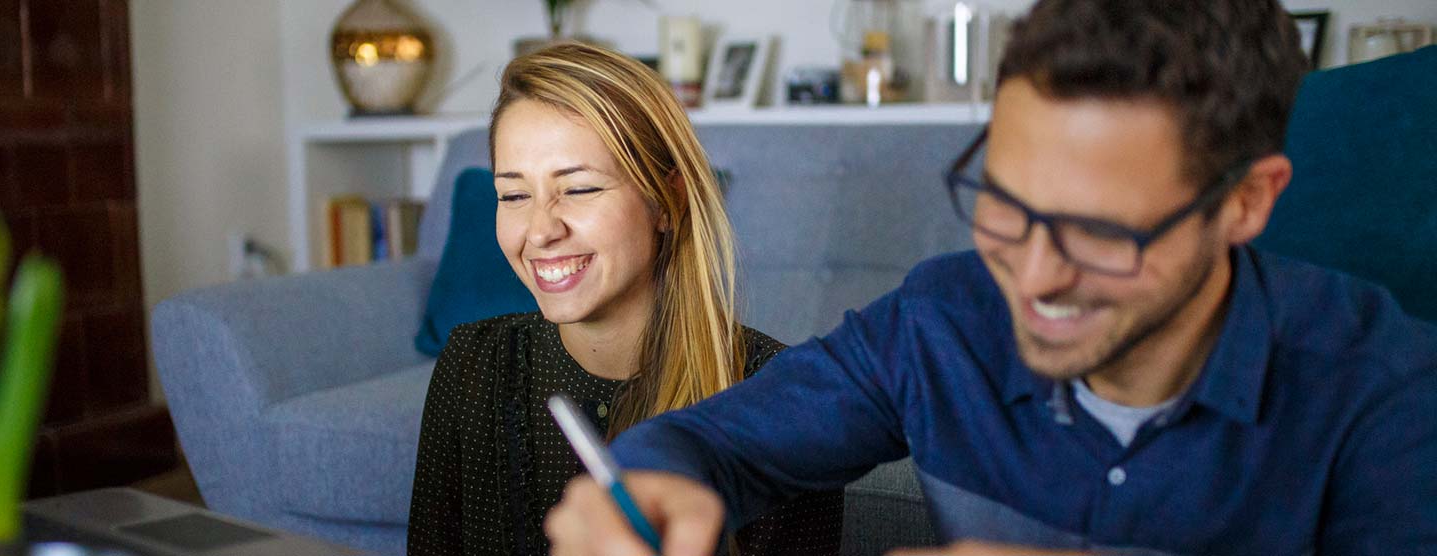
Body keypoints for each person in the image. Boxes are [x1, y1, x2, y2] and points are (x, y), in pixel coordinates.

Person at [543, 1, 1437, 555]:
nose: (1034, 277)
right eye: (1004, 203)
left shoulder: (1384, 387)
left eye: (1096, 231)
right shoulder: (943, 319)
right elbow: (715, 444)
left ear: (1245, 202)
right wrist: (650, 483)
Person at [406, 43, 844, 556]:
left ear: (668, 201)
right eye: (515, 196)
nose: (541, 230)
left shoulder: (780, 401)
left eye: (580, 189)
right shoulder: (471, 364)